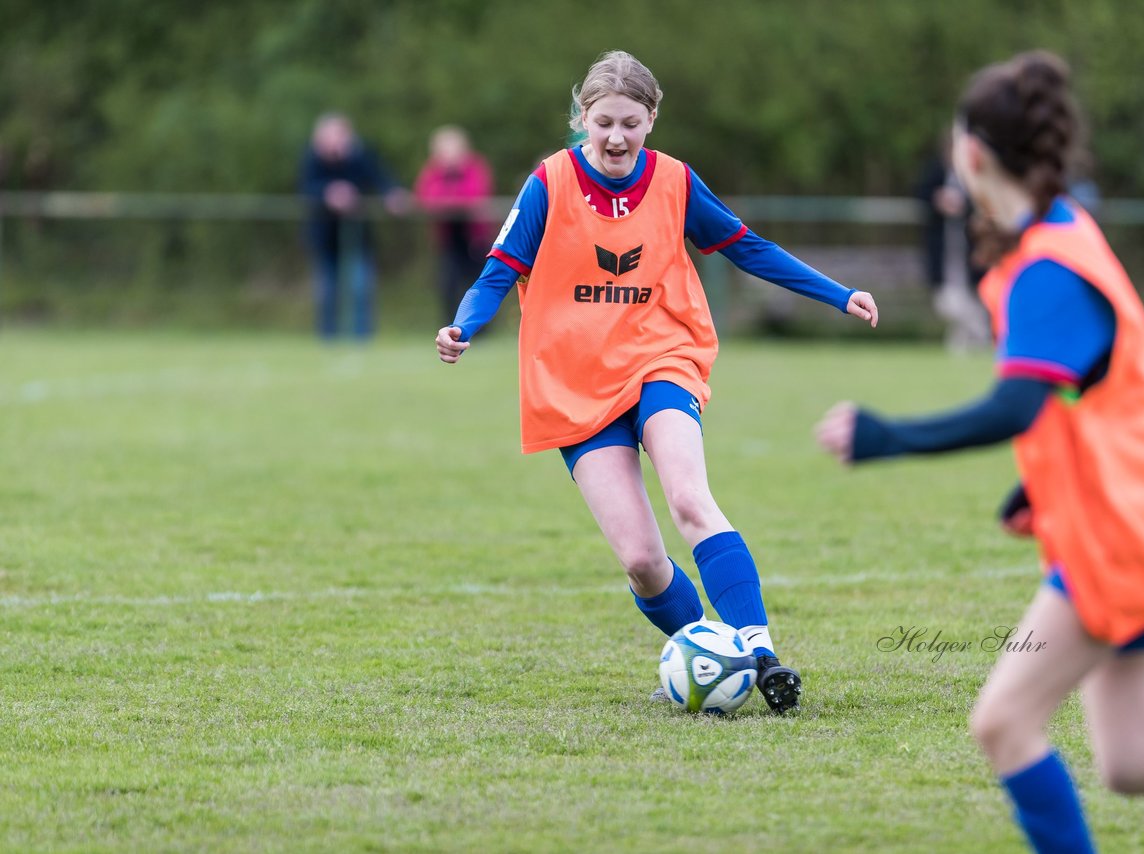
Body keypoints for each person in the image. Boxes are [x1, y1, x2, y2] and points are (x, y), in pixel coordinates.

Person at [816, 51, 1144, 852]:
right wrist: (1039, 491)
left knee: (1003, 723)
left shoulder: (1048, 266)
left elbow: (1016, 404)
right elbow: (1079, 397)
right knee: (1136, 761)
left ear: (973, 154)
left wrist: (885, 436)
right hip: (1124, 516)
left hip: (1131, 531)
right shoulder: (1052, 233)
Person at [436, 50, 878, 713]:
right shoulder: (549, 184)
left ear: (651, 120)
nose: (617, 137)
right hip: (575, 382)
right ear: (583, 117)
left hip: (661, 357)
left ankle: (760, 655)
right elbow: (499, 270)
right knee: (643, 561)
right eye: (605, 121)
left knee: (690, 500)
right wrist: (464, 325)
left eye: (632, 123)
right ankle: (713, 650)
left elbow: (745, 246)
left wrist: (837, 294)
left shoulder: (673, 181)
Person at [299, 113, 411, 340]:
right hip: (325, 237)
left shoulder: (359, 157)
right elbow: (306, 188)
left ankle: (362, 338)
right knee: (327, 291)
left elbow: (379, 177)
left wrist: (391, 193)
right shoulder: (311, 159)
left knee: (360, 287)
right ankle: (328, 338)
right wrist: (329, 193)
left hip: (358, 236)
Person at [914, 129, 990, 353]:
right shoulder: (936, 171)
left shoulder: (974, 176)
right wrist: (938, 201)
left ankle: (959, 348)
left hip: (968, 249)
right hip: (943, 248)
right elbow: (920, 193)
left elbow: (983, 203)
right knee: (947, 303)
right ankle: (984, 332)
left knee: (971, 297)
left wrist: (963, 206)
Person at [414, 126, 495, 327]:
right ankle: (452, 325)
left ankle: (482, 328)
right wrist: (453, 194)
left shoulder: (475, 167)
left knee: (480, 283)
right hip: (448, 239)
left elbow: (475, 195)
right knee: (448, 284)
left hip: (475, 238)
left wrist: (448, 195)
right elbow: (426, 197)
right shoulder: (433, 171)